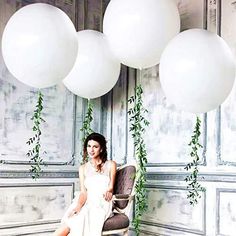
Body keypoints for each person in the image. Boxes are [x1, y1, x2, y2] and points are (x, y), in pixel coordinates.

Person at [54, 132, 116, 236]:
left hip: (101, 203)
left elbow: (111, 187)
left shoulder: (111, 164)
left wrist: (109, 191)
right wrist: (78, 206)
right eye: (89, 146)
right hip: (86, 202)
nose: (91, 150)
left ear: (101, 149)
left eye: (95, 147)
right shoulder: (83, 168)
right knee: (71, 221)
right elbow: (83, 192)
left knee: (79, 219)